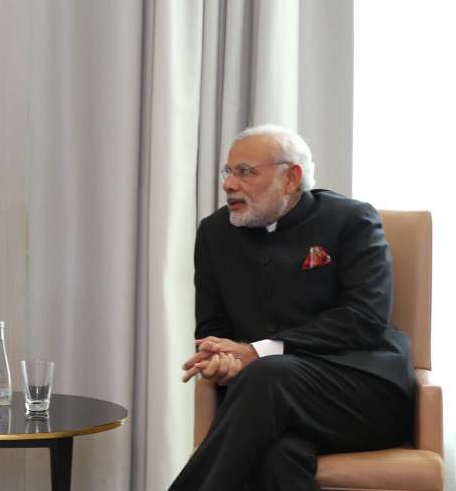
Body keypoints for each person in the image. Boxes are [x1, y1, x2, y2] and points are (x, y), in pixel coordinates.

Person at [169, 125, 415, 491]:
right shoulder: (214, 233)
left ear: (291, 178)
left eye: (245, 172)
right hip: (265, 400)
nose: (229, 184)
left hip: (362, 394)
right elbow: (213, 328)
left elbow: (365, 319)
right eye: (228, 171)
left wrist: (259, 352)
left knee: (268, 375)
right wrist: (222, 359)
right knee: (277, 456)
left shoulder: (351, 220)